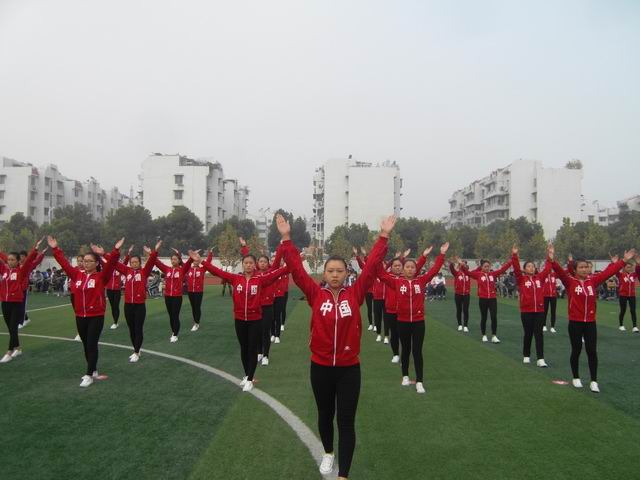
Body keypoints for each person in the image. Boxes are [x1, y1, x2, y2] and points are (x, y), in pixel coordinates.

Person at [276, 212, 395, 479]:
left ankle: (344, 475)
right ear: (324, 273)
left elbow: (372, 267)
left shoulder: (356, 294)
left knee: (346, 421)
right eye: (330, 271)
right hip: (320, 367)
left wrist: (383, 236)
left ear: (347, 273)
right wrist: (286, 239)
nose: (335, 275)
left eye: (340, 271)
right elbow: (296, 270)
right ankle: (328, 452)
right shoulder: (315, 294)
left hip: (349, 369)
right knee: (325, 414)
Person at [191, 248, 287, 392]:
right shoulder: (236, 278)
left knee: (252, 348)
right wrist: (201, 261)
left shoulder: (260, 280)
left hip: (255, 319)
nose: (248, 265)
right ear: (242, 264)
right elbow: (218, 272)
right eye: (246, 263)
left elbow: (278, 272)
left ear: (254, 265)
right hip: (240, 319)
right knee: (244, 348)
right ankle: (247, 375)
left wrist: (293, 263)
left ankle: (250, 379)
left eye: (251, 263)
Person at [551, 248, 635, 392]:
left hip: (590, 322)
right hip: (575, 322)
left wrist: (623, 261)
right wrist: (552, 259)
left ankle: (594, 381)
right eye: (581, 267)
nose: (584, 269)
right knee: (576, 349)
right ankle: (576, 377)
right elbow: (559, 270)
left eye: (586, 267)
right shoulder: (570, 282)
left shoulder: (593, 281)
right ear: (575, 269)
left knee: (592, 351)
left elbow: (609, 272)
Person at [49, 235, 124, 387]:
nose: (86, 263)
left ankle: (89, 375)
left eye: (90, 261)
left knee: (91, 344)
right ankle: (93, 369)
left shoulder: (101, 276)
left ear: (96, 263)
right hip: (80, 316)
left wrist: (115, 251)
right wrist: (55, 249)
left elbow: (111, 264)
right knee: (85, 344)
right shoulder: (77, 275)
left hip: (96, 316)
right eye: (84, 261)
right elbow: (63, 263)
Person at [378, 243, 448, 394]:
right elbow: (381, 274)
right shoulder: (397, 282)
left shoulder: (421, 281)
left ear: (416, 270)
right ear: (403, 270)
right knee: (405, 350)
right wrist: (379, 255)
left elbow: (435, 270)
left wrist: (441, 254)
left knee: (417, 351)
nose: (410, 269)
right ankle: (405, 376)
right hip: (402, 321)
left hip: (418, 322)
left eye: (412, 267)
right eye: (407, 267)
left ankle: (419, 381)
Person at [110, 241, 160, 362]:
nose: (134, 264)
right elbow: (113, 262)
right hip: (128, 305)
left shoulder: (144, 272)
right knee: (131, 329)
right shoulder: (127, 271)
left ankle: (137, 352)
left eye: (136, 262)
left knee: (138, 329)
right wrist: (111, 251)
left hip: (139, 306)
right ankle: (136, 349)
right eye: (132, 262)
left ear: (140, 263)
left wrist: (154, 252)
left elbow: (152, 261)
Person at [511, 245, 553, 367]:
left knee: (539, 334)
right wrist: (515, 255)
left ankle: (540, 358)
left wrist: (550, 256)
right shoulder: (521, 279)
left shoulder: (539, 278)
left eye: (533, 266)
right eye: (529, 266)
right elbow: (516, 269)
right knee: (528, 333)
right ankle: (526, 355)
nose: (532, 268)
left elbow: (547, 269)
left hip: (539, 311)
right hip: (526, 311)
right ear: (524, 269)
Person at [0, 240, 41, 363]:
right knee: (11, 328)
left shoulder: (21, 271)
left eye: (13, 260)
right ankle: (18, 348)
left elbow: (29, 261)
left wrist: (35, 250)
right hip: (5, 303)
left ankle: (9, 352)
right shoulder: (4, 270)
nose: (10, 261)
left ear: (18, 261)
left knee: (13, 328)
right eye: (9, 259)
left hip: (16, 303)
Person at [461, 258, 512, 343]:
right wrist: (462, 266)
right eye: (485, 266)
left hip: (492, 299)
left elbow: (502, 270)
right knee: (484, 317)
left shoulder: (493, 274)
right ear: (482, 267)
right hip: (483, 299)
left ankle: (494, 336)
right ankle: (484, 335)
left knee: (493, 317)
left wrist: (510, 262)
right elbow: (467, 273)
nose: (487, 268)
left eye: (488, 266)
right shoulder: (478, 275)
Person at [153, 248, 192, 342]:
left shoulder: (182, 270)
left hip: (177, 297)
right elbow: (157, 263)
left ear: (179, 261)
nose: (173, 261)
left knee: (175, 315)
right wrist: (152, 253)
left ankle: (175, 334)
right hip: (167, 296)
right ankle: (173, 331)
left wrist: (191, 257)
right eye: (172, 259)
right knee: (171, 315)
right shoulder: (167, 269)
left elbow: (187, 264)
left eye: (175, 259)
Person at [104, 245, 132, 330]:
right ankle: (115, 320)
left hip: (117, 289)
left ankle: (115, 322)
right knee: (112, 306)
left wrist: (129, 253)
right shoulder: (107, 266)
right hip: (109, 289)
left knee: (116, 306)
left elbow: (125, 262)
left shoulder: (119, 266)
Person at [185, 248, 213, 332]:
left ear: (199, 261)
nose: (195, 261)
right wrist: (191, 255)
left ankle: (196, 323)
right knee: (193, 307)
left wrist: (210, 253)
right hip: (190, 291)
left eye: (197, 260)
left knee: (197, 307)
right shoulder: (188, 269)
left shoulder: (202, 269)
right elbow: (184, 264)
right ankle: (195, 321)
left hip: (198, 292)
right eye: (194, 260)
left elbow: (208, 262)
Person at [616, 256, 638, 332]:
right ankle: (621, 325)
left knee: (633, 311)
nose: (629, 269)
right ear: (624, 268)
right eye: (628, 267)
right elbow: (616, 271)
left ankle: (635, 327)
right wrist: (615, 263)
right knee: (623, 310)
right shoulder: (621, 275)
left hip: (632, 295)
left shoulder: (633, 275)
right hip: (623, 295)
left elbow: (638, 271)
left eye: (630, 267)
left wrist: (638, 264)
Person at [449, 259, 471, 332]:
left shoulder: (468, 274)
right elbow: (452, 269)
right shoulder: (457, 273)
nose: (463, 265)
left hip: (466, 295)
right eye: (462, 264)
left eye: (464, 264)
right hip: (458, 294)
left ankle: (465, 325)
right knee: (459, 310)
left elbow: (477, 270)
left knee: (466, 310)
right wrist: (451, 263)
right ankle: (460, 325)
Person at [542, 264, 559, 333]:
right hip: (545, 295)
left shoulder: (554, 275)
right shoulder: (543, 275)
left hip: (553, 296)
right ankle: (544, 325)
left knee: (553, 312)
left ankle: (552, 326)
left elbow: (563, 272)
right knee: (544, 311)